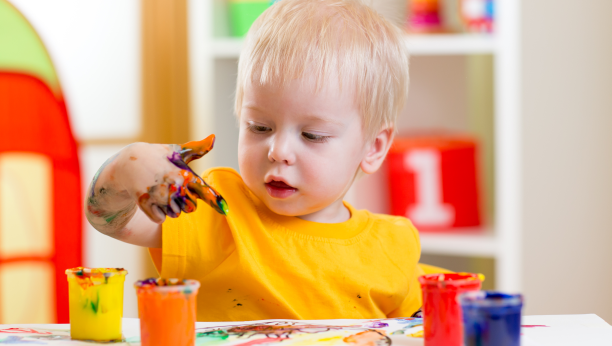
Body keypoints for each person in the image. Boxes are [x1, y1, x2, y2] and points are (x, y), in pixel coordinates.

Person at [85, 0, 423, 322]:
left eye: (312, 135)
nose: (278, 151)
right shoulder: (215, 212)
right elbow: (108, 221)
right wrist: (127, 166)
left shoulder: (393, 247)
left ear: (373, 147)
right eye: (259, 127)